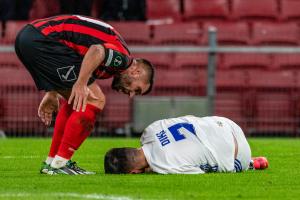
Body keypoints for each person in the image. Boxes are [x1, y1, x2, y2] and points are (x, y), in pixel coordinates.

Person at [14, 15, 155, 175]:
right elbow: (97, 50)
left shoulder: (115, 59)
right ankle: (60, 164)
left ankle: (51, 163)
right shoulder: (123, 60)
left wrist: (52, 92)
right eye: (136, 89)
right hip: (43, 40)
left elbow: (73, 53)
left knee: (77, 100)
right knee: (96, 100)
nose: (131, 95)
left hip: (28, 38)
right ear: (136, 72)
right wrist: (80, 83)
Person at [104, 115, 268, 174]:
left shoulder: (165, 166)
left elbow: (200, 172)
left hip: (240, 154)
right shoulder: (150, 130)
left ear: (134, 172)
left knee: (214, 164)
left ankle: (251, 164)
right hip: (225, 122)